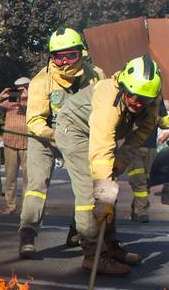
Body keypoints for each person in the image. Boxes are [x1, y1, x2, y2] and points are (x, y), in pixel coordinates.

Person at [55, 56, 163, 277]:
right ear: (123, 86)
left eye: (144, 100)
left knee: (109, 189)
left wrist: (119, 164)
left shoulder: (150, 100)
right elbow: (101, 150)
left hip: (99, 136)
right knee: (90, 192)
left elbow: (141, 133)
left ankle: (110, 246)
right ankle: (94, 256)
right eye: (132, 96)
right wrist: (103, 193)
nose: (137, 103)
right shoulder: (108, 99)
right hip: (75, 130)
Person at [18, 28, 106, 259]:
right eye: (58, 57)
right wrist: (53, 135)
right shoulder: (41, 81)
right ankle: (27, 234)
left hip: (80, 136)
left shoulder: (96, 76)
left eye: (70, 56)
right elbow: (34, 120)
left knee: (85, 187)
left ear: (81, 54)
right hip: (46, 137)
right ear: (51, 57)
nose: (64, 62)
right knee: (36, 186)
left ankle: (79, 230)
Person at [0, 77, 30, 214]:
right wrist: (1, 96)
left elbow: (36, 111)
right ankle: (10, 206)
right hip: (10, 142)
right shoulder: (9, 102)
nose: (19, 91)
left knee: (28, 178)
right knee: (10, 176)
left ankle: (26, 208)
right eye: (17, 88)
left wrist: (27, 97)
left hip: (28, 143)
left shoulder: (33, 102)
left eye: (23, 88)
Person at [129, 98, 169, 222]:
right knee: (139, 180)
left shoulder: (158, 99)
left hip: (151, 147)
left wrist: (163, 121)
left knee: (146, 181)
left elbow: (164, 122)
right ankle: (141, 212)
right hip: (133, 146)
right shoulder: (132, 93)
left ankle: (136, 208)